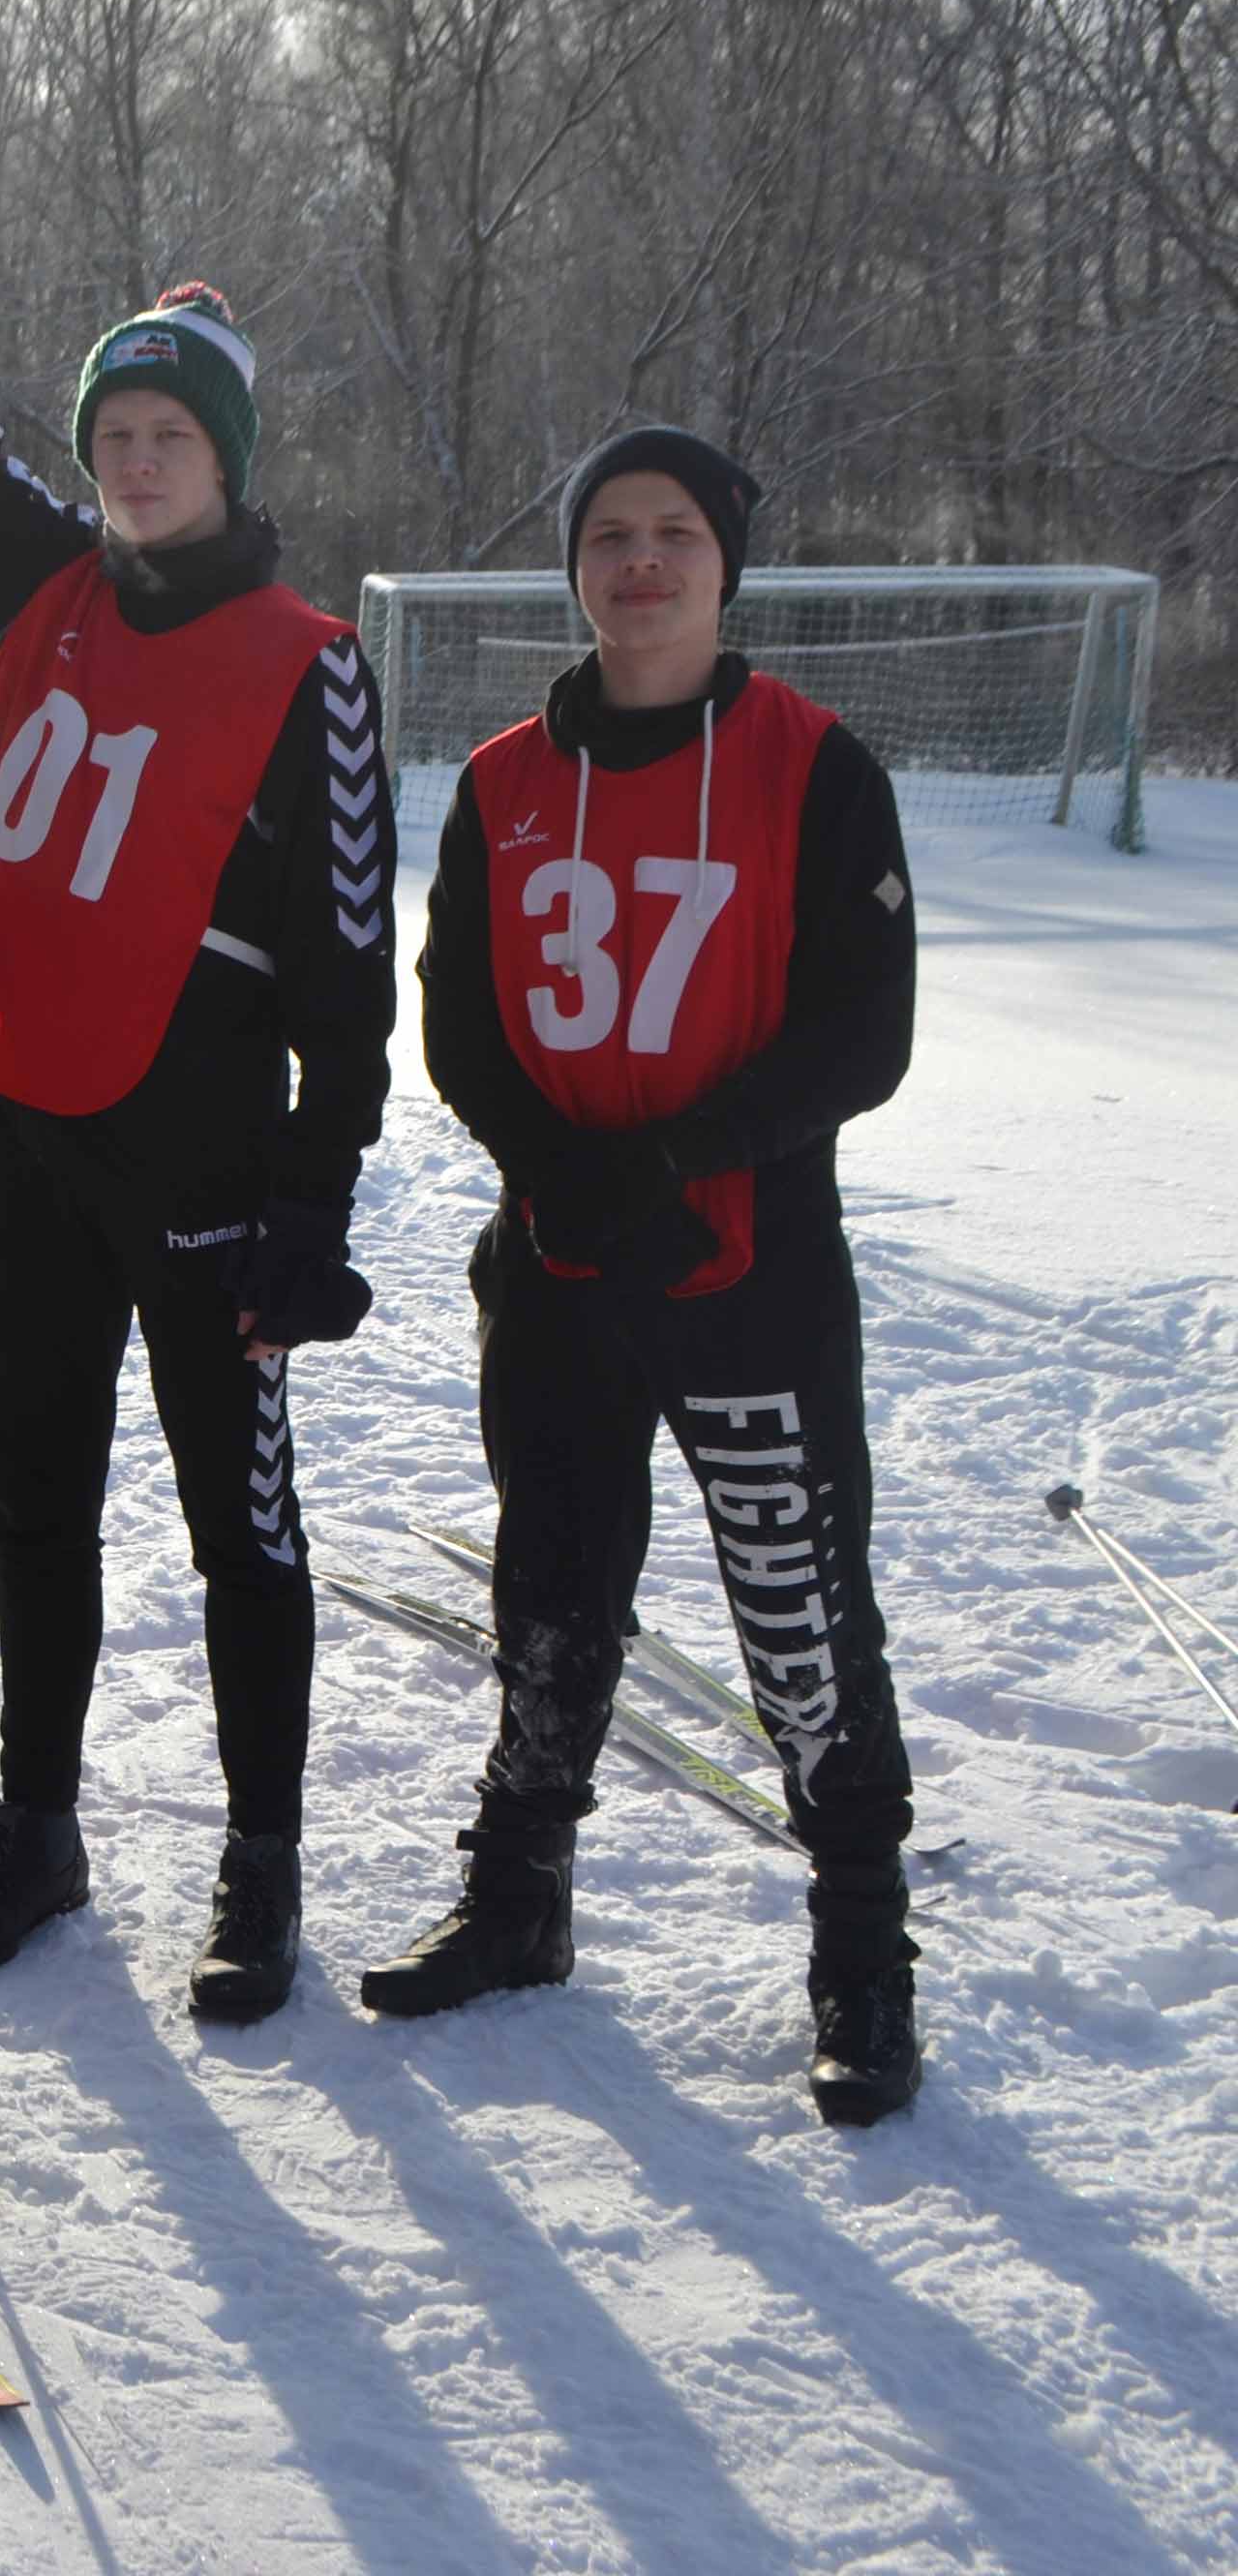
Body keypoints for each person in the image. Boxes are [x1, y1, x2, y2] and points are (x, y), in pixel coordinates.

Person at [0, 24, 397, 2023]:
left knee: (237, 1523)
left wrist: (310, 1205)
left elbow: (347, 975)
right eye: (113, 433)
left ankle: (257, 1865)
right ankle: (38, 1826)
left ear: (223, 459)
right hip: (27, 1141)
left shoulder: (304, 666)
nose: (132, 460)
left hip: (203, 1168)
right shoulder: (41, 590)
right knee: (34, 1502)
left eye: (168, 434)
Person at [363, 428, 925, 2124]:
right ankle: (520, 1895)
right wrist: (562, 1172)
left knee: (799, 1619)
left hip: (743, 1270)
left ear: (726, 561)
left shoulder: (818, 767)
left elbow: (864, 1032)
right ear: (577, 568)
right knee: (550, 1592)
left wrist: (681, 1160)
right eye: (610, 535)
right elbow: (459, 1018)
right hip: (561, 1268)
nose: (642, 563)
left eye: (674, 533)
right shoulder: (505, 778)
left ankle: (863, 1954)